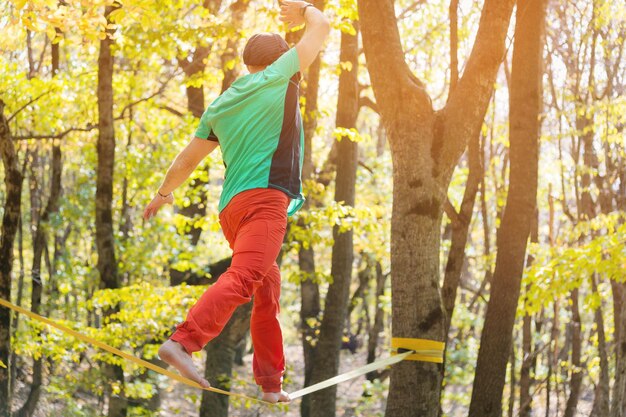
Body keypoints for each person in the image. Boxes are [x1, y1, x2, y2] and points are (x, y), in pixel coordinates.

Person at [142, 0, 330, 404]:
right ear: (281, 59)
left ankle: (270, 384)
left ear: (246, 62)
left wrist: (162, 194)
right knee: (246, 279)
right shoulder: (281, 75)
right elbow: (322, 27)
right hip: (265, 202)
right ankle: (183, 341)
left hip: (232, 211)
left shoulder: (221, 103)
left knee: (267, 288)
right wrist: (304, 9)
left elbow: (187, 160)